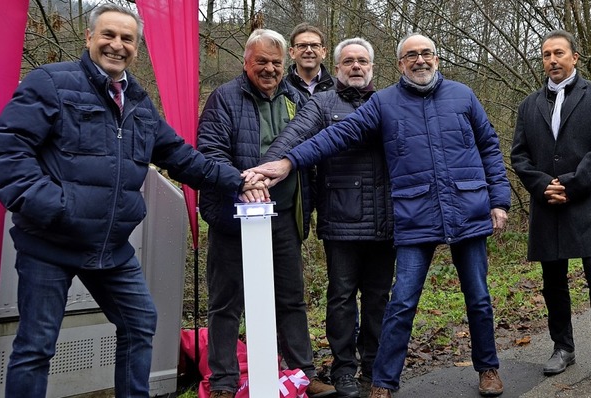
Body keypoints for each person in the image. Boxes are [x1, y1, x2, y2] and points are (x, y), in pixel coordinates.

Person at [0, 4, 268, 398]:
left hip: (111, 247)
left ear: (137, 48)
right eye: (108, 34)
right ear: (89, 37)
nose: (117, 45)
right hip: (50, 243)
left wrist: (239, 180)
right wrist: (52, 206)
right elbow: (10, 151)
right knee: (36, 346)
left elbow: (183, 158)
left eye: (127, 38)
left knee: (140, 322)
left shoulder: (139, 103)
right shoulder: (51, 83)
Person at [247, 32, 510, 398]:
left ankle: (488, 368)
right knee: (401, 301)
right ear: (400, 64)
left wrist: (499, 200)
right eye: (411, 56)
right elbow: (337, 136)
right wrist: (287, 162)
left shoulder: (463, 96)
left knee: (479, 298)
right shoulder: (384, 102)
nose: (420, 60)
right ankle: (384, 382)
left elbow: (489, 147)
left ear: (436, 58)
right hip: (415, 215)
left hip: (467, 209)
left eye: (426, 54)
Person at [196, 28, 336, 398]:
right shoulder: (224, 98)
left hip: (285, 219)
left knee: (291, 298)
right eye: (262, 61)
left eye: (276, 62)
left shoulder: (297, 100)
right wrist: (243, 183)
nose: (270, 69)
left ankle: (302, 375)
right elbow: (210, 152)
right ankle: (223, 382)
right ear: (246, 62)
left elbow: (311, 153)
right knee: (226, 304)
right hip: (232, 218)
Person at [260, 38, 395, 397]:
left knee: (379, 298)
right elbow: (293, 136)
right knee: (341, 298)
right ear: (335, 67)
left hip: (387, 219)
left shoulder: (390, 102)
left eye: (362, 61)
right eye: (348, 61)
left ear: (372, 67)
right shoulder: (321, 103)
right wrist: (265, 168)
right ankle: (343, 370)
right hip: (341, 219)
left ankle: (374, 367)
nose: (355, 66)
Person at [510, 29, 591, 387]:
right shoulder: (529, 105)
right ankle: (563, 347)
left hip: (588, 201)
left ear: (575, 58)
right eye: (546, 55)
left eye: (559, 53)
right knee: (553, 281)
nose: (552, 60)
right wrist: (544, 186)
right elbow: (519, 155)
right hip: (547, 205)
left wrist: (572, 185)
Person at [286, 23, 336, 98]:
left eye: (314, 45)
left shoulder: (339, 89)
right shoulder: (281, 88)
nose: (309, 50)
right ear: (292, 52)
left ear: (323, 52)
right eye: (302, 46)